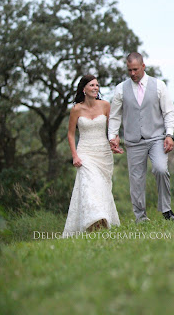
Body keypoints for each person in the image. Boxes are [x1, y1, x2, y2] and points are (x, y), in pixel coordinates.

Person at [108, 52, 174, 223]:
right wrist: (113, 136)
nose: (132, 73)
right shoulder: (120, 89)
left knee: (161, 169)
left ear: (143, 67)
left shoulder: (159, 85)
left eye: (135, 69)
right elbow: (115, 116)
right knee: (136, 179)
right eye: (129, 70)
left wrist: (169, 135)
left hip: (156, 138)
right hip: (133, 141)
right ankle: (140, 217)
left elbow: (169, 111)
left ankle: (166, 210)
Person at [62, 74, 121, 237]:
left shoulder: (105, 105)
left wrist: (115, 142)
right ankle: (91, 223)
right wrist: (75, 155)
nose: (96, 88)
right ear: (84, 89)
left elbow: (113, 130)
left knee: (101, 188)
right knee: (90, 187)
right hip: (85, 152)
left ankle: (101, 224)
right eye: (92, 85)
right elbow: (70, 134)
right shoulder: (76, 109)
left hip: (103, 153)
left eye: (97, 85)